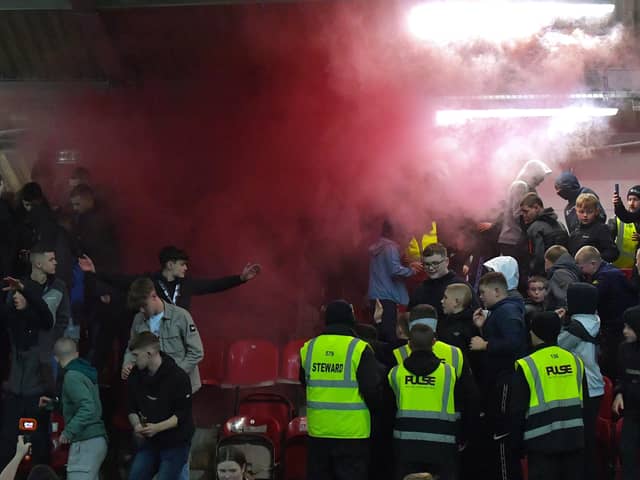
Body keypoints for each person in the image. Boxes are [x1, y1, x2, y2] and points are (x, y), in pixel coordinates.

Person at [299, 300, 382, 480]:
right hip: (352, 433)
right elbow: (372, 389)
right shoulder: (358, 348)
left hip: (318, 431)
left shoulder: (309, 347)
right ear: (350, 318)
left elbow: (304, 382)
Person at [510, 312, 587, 480]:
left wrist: (516, 446)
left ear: (534, 333)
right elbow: (585, 403)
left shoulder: (527, 364)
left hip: (540, 443)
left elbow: (517, 410)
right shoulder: (575, 361)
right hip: (574, 440)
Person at [388, 324, 466, 480]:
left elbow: (388, 410)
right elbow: (462, 404)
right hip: (442, 444)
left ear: (409, 344)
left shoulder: (396, 373)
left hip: (406, 445)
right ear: (434, 342)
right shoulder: (449, 372)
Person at [78, 245, 261, 312]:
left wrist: (241, 278)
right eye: (182, 264)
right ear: (169, 264)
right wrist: (96, 272)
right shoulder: (150, 281)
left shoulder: (187, 284)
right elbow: (122, 280)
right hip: (154, 342)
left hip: (178, 342)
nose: (186, 268)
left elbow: (214, 285)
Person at [469, 272, 527, 480]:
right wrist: (483, 328)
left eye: (483, 293)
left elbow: (514, 341)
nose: (481, 297)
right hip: (499, 380)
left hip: (505, 381)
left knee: (502, 434)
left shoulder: (508, 311)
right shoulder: (501, 311)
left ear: (496, 291)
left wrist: (486, 345)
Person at [0, 277, 54, 468]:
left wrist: (25, 288)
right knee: (7, 440)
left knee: (37, 442)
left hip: (36, 390)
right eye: (12, 293)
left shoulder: (40, 320)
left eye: (19, 294)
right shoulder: (10, 317)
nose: (15, 297)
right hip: (15, 391)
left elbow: (47, 315)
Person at [126, 332, 194, 480]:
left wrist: (157, 428)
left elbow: (181, 415)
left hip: (176, 441)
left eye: (137, 355)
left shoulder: (178, 377)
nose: (134, 360)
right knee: (136, 475)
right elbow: (131, 407)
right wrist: (137, 425)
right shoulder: (135, 375)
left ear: (149, 353)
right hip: (150, 442)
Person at [39, 338, 107, 480]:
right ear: (76, 354)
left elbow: (87, 408)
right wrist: (53, 404)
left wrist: (68, 432)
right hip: (94, 441)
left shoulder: (71, 377)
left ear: (56, 358)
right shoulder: (83, 372)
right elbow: (82, 403)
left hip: (86, 441)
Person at [122, 278, 204, 393]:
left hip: (180, 387)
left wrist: (175, 374)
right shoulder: (138, 319)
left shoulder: (181, 316)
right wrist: (128, 364)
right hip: (151, 387)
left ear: (154, 296)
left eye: (143, 305)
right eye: (139, 307)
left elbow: (196, 352)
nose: (141, 310)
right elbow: (132, 347)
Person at [557, 283, 604, 480]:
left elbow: (558, 344)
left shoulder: (575, 327)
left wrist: (559, 322)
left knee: (579, 440)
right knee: (588, 437)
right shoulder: (595, 320)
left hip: (583, 388)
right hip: (596, 386)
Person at [574, 246, 637, 378]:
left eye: (581, 267)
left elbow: (592, 297)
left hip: (615, 325)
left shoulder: (607, 277)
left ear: (593, 264)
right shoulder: (610, 272)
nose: (581, 271)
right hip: (616, 322)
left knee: (613, 360)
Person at [497, 160, 552, 286]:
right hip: (514, 239)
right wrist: (534, 228)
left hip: (514, 239)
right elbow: (519, 214)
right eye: (539, 179)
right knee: (519, 276)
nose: (539, 182)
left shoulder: (523, 186)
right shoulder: (520, 186)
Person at [368, 220, 422, 342]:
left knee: (380, 331)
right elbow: (395, 270)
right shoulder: (390, 247)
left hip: (378, 295)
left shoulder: (379, 247)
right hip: (387, 297)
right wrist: (412, 270)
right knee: (390, 335)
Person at [408, 243, 475, 318]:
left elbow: (475, 316)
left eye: (435, 263)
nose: (431, 268)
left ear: (446, 261)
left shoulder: (462, 287)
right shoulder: (420, 290)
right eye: (427, 264)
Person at [613, 306, 640, 480]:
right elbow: (620, 376)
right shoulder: (624, 349)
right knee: (627, 450)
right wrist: (619, 393)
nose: (625, 331)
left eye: (629, 327)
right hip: (631, 409)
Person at [520, 193, 569, 276]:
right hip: (564, 271)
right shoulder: (560, 225)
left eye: (526, 211)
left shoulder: (534, 228)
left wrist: (533, 275)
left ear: (536, 207)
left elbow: (538, 258)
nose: (524, 215)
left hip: (543, 275)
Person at [568, 193, 619, 262]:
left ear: (596, 212)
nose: (585, 215)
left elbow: (613, 252)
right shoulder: (575, 230)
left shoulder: (602, 229)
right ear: (576, 211)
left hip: (595, 270)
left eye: (589, 212)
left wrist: (594, 260)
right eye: (581, 212)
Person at [440, 283, 478, 353]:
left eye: (445, 297)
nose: (442, 301)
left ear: (456, 302)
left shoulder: (468, 328)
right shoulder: (447, 321)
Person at [609, 185, 640, 269]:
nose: (631, 203)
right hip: (618, 268)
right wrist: (618, 205)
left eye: (635, 200)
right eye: (629, 199)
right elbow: (626, 217)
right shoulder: (616, 220)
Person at [544, 245, 582, 310]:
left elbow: (564, 299)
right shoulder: (570, 270)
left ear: (548, 260)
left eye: (545, 261)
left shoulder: (560, 274)